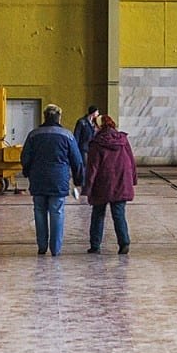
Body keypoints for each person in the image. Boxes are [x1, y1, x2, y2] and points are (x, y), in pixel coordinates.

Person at [21, 104, 84, 256]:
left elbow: (25, 157)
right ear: (59, 117)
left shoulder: (34, 135)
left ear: (44, 116)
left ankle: (42, 246)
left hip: (38, 179)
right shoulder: (67, 135)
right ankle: (55, 249)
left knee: (39, 211)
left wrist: (27, 172)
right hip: (59, 179)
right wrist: (78, 180)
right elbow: (77, 161)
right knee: (57, 212)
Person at [83, 114, 137, 254]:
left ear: (99, 126)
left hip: (102, 183)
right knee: (119, 214)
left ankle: (95, 245)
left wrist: (87, 188)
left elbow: (92, 167)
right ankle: (124, 243)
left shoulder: (97, 142)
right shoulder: (123, 140)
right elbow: (131, 161)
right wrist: (133, 179)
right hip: (121, 182)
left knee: (98, 213)